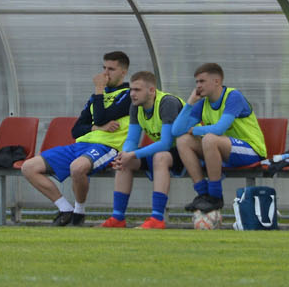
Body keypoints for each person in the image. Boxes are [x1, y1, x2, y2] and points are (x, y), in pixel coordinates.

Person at [19, 52, 132, 225]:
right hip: (80, 145)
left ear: (123, 72)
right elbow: (77, 130)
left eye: (111, 69)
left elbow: (101, 116)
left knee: (77, 168)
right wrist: (96, 127)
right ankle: (65, 209)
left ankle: (79, 211)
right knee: (29, 167)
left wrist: (99, 91)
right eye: (103, 68)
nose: (105, 73)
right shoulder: (95, 97)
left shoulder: (128, 95)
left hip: (106, 147)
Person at [174, 62, 267, 214]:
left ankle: (215, 196)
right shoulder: (202, 103)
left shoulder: (233, 96)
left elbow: (219, 129)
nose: (198, 86)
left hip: (251, 151)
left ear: (216, 81)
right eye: (196, 82)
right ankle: (203, 194)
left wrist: (196, 130)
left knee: (209, 139)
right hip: (223, 149)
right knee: (183, 140)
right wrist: (190, 102)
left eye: (202, 81)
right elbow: (176, 130)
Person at [102, 71, 185, 229]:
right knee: (125, 161)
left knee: (160, 157)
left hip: (188, 152)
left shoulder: (168, 103)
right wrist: (125, 154)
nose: (132, 94)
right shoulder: (136, 106)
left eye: (137, 90)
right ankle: (117, 217)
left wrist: (133, 153)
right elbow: (132, 140)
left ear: (152, 90)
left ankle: (157, 218)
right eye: (131, 89)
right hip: (165, 152)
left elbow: (166, 143)